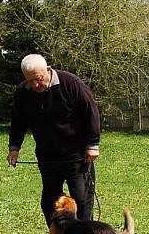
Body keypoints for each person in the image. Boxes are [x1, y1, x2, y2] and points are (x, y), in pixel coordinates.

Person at [7, 54, 101, 225]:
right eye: (30, 81)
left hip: (76, 155)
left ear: (48, 69)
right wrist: (14, 147)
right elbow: (18, 121)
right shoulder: (23, 92)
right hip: (47, 156)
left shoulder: (71, 84)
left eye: (38, 79)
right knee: (49, 201)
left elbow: (91, 112)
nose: (35, 85)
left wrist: (93, 144)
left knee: (81, 198)